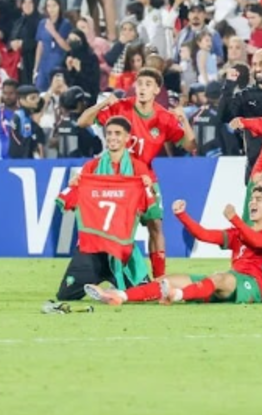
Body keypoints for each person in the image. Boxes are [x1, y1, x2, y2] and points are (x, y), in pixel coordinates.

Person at [78, 68, 197, 279]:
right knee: (119, 231)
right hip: (119, 180)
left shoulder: (164, 118)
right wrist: (104, 103)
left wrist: (185, 122)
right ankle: (118, 274)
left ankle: (159, 278)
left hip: (146, 179)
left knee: (155, 225)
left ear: (156, 90)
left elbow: (190, 146)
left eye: (148, 85)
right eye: (140, 83)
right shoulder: (121, 107)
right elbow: (83, 122)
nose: (142, 88)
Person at [89, 187, 262, 306]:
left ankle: (177, 295)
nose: (252, 203)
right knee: (167, 279)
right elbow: (204, 235)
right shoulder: (239, 233)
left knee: (221, 277)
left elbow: (257, 241)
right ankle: (119, 296)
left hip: (253, 287)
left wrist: (235, 219)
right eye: (251, 199)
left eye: (259, 200)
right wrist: (182, 215)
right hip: (230, 281)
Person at [54, 116, 154, 301]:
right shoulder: (91, 168)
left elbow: (150, 213)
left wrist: (147, 187)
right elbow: (65, 202)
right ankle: (107, 289)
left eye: (118, 133)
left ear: (127, 138)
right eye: (109, 133)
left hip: (121, 249)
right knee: (65, 295)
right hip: (92, 247)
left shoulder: (138, 169)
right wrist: (75, 184)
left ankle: (109, 292)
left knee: (145, 295)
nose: (112, 137)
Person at [33, 0, 71, 91]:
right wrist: (36, 67)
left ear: (59, 7)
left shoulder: (65, 24)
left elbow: (67, 47)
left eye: (54, 6)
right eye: (48, 6)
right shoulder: (42, 23)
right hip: (44, 63)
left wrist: (53, 32)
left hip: (58, 62)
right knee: (40, 90)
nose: (51, 9)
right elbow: (40, 46)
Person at [53, 85, 101, 157]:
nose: (85, 103)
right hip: (80, 164)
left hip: (61, 165)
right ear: (79, 104)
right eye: (83, 101)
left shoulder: (60, 124)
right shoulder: (82, 124)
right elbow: (98, 147)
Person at [8, 84, 45, 159]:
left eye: (37, 97)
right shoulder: (19, 117)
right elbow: (18, 141)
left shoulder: (29, 117)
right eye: (32, 98)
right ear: (22, 100)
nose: (37, 101)